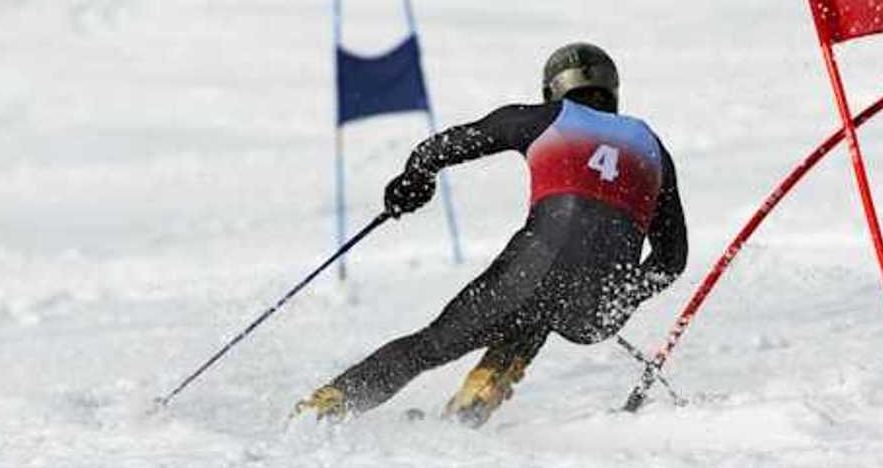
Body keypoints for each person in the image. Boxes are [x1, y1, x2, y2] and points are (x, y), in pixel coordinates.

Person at [295, 42, 688, 427]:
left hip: (531, 272)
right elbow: (672, 259)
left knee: (435, 343)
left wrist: (414, 182)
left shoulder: (545, 118)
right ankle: (476, 396)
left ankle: (326, 406)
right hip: (598, 311)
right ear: (611, 91)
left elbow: (438, 148)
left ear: (553, 89)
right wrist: (624, 293)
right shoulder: (652, 146)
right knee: (538, 314)